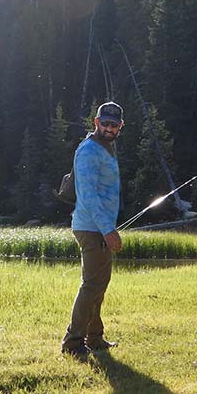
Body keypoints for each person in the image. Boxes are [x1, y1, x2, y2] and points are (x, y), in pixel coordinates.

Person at [61, 101, 124, 359]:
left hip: (99, 227)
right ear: (96, 123)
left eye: (114, 125)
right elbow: (87, 195)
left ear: (120, 126)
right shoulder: (88, 151)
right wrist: (108, 230)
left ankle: (94, 337)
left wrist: (108, 228)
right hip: (92, 228)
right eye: (104, 123)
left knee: (99, 282)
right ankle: (73, 342)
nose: (109, 128)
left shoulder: (107, 148)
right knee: (92, 284)